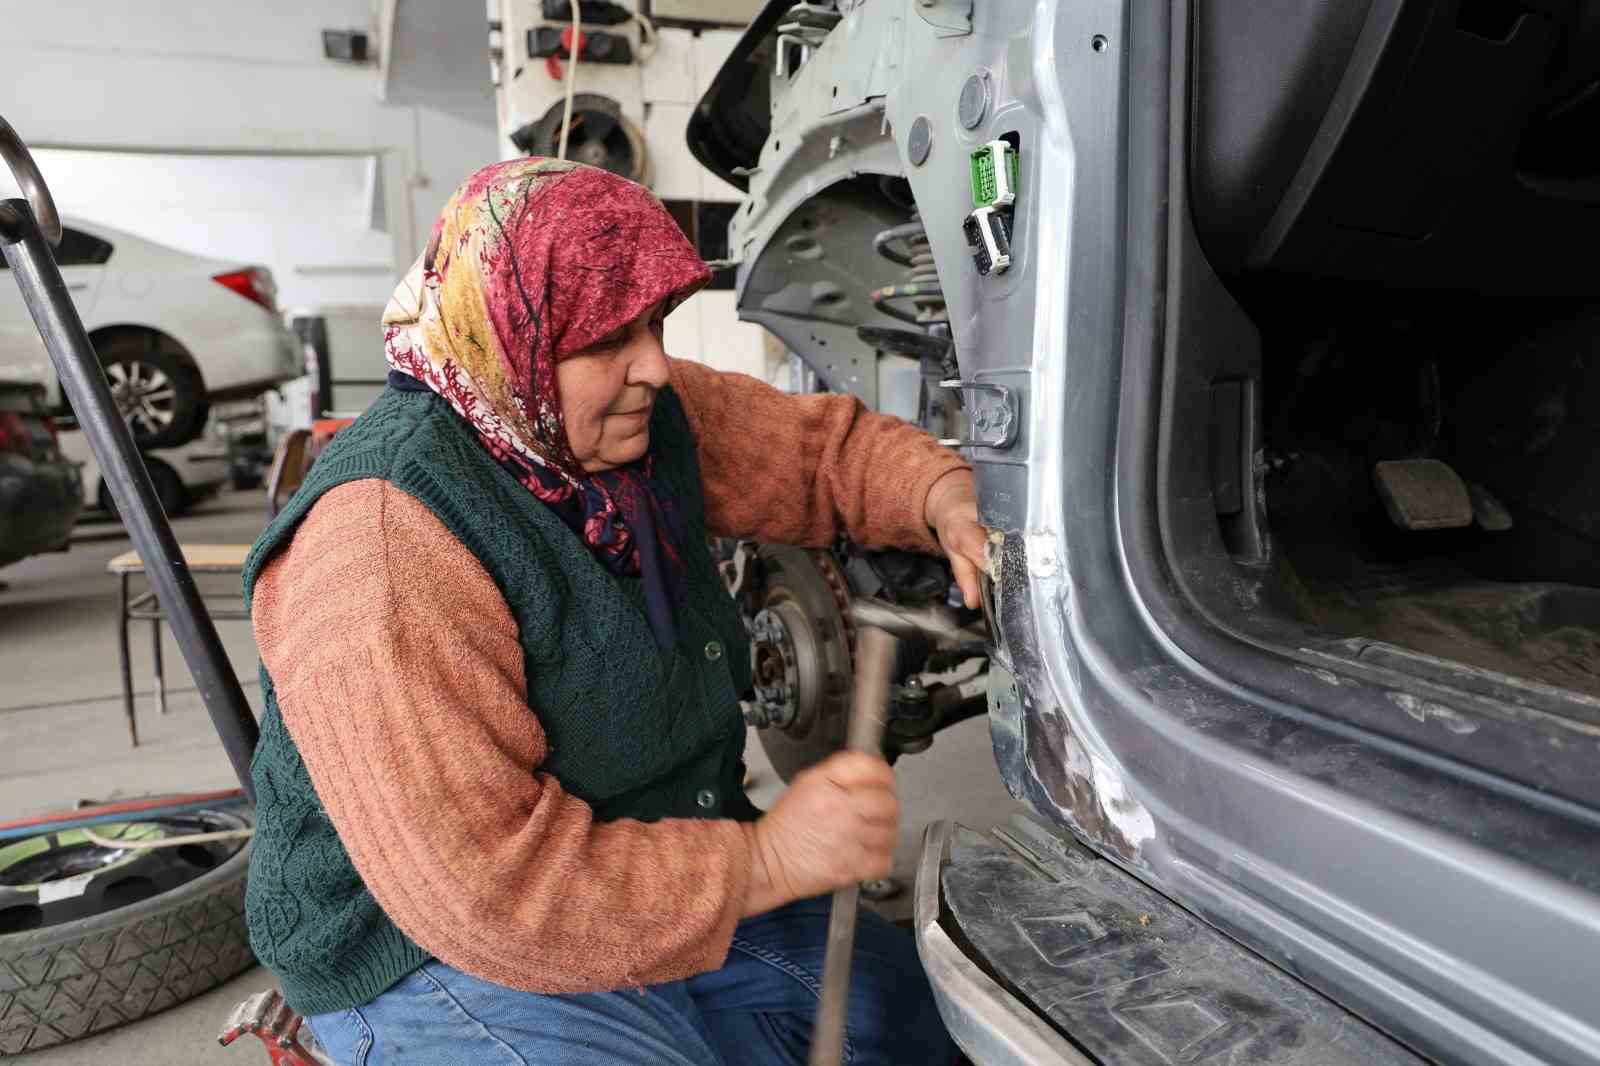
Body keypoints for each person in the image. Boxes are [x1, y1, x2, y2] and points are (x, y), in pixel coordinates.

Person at [241, 157, 989, 1065]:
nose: (655, 368)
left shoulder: (608, 416)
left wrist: (943, 497)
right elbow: (490, 894)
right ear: (508, 338)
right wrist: (769, 864)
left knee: (914, 1028)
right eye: (605, 341)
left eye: (655, 325)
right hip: (419, 947)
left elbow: (818, 455)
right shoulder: (386, 548)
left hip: (635, 858)